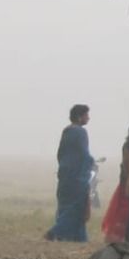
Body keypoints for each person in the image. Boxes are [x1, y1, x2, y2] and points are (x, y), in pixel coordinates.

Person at [45, 104, 94, 242]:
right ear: (79, 117)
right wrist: (91, 163)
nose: (88, 118)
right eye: (86, 115)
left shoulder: (67, 131)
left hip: (65, 174)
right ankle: (55, 232)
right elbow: (84, 155)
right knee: (77, 208)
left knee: (65, 205)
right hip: (78, 176)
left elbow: (60, 154)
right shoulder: (80, 132)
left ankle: (79, 239)